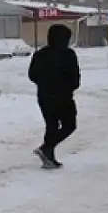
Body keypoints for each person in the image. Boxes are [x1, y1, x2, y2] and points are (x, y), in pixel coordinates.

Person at [28, 24, 80, 169]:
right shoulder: (68, 54)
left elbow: (32, 75)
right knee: (69, 125)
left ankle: (49, 157)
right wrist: (69, 86)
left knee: (51, 126)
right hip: (63, 97)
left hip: (44, 97)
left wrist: (43, 83)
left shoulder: (40, 54)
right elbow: (74, 78)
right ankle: (46, 148)